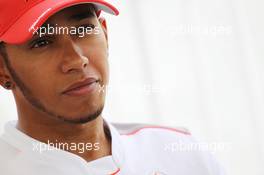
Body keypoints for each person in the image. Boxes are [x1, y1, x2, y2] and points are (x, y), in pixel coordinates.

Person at [0, 0, 226, 174]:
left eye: (84, 29)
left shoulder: (179, 151)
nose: (77, 60)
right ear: (3, 70)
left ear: (105, 34)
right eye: (42, 42)